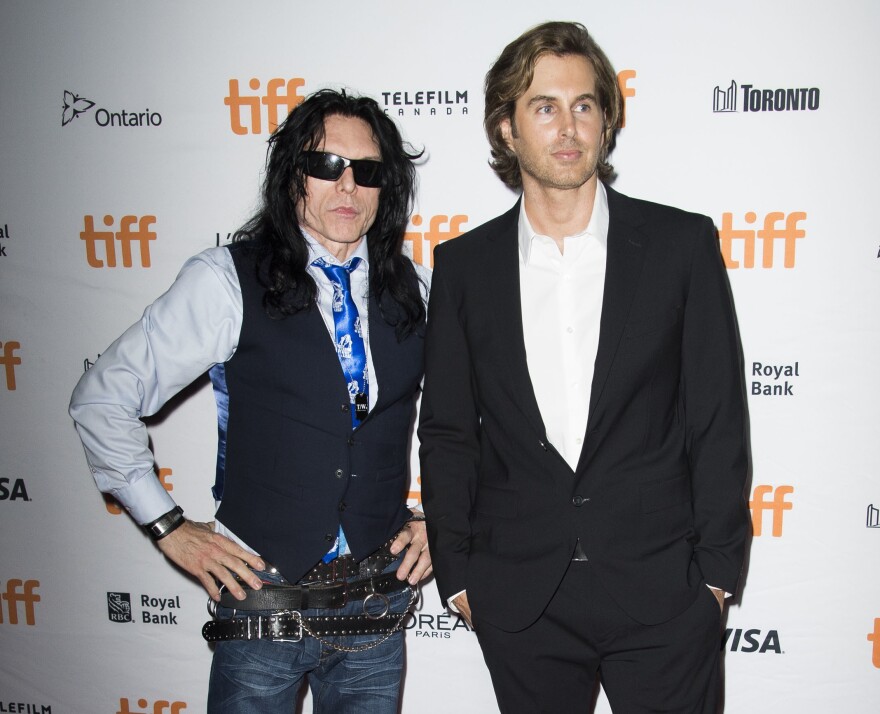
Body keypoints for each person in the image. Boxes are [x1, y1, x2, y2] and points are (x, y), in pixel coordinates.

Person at [419, 21, 748, 714]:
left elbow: (717, 419)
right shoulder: (463, 268)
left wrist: (715, 579)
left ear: (606, 120)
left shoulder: (679, 246)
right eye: (543, 106)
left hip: (664, 593)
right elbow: (448, 431)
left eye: (584, 105)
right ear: (507, 129)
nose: (567, 126)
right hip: (521, 599)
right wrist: (459, 577)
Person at [70, 88, 432, 713]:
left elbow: (471, 418)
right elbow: (102, 397)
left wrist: (447, 517)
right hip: (261, 603)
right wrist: (169, 527)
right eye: (326, 166)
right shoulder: (226, 280)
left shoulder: (417, 289)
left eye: (367, 172)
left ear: (386, 187)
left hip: (378, 607)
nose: (347, 186)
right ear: (293, 175)